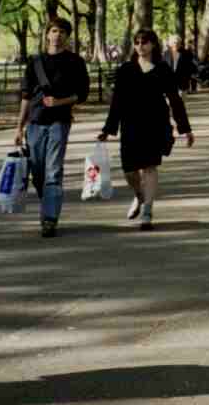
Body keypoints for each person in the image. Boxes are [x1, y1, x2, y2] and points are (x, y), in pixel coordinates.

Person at [97, 29, 195, 231]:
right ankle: (140, 195)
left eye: (144, 42)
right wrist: (107, 129)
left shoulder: (162, 69)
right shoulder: (125, 69)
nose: (140, 46)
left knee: (150, 167)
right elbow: (117, 102)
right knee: (130, 170)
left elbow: (175, 101)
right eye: (137, 42)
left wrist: (185, 128)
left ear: (153, 45)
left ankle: (148, 211)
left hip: (155, 124)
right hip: (131, 124)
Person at [14, 17, 91, 239]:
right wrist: (19, 128)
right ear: (47, 34)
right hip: (35, 123)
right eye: (54, 31)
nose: (58, 36)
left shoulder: (75, 62)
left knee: (53, 171)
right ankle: (48, 201)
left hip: (59, 122)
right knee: (38, 173)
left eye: (62, 32)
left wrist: (60, 102)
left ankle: (50, 219)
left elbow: (82, 94)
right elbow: (26, 96)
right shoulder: (35, 61)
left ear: (68, 37)